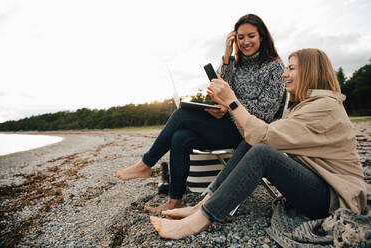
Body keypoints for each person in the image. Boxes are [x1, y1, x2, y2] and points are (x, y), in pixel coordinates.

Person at [149, 48, 368, 239]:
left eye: (291, 68)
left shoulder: (324, 107)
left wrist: (232, 101)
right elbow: (259, 135)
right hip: (319, 184)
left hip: (332, 199)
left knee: (262, 152)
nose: (285, 73)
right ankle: (202, 204)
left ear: (311, 71)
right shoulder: (308, 104)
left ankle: (198, 221)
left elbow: (264, 138)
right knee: (251, 142)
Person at [115, 14, 285, 213]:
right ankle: (174, 200)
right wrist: (227, 56)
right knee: (180, 137)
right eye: (240, 37)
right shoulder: (235, 64)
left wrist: (230, 106)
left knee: (181, 115)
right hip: (226, 127)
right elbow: (221, 87)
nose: (245, 42)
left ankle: (145, 164)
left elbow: (266, 111)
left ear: (262, 37)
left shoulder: (274, 67)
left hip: (248, 134)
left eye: (251, 36)